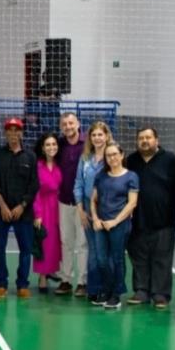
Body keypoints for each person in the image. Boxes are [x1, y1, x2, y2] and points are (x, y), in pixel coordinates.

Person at [125, 126, 175, 309]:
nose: (145, 141)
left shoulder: (172, 161)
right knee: (139, 258)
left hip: (164, 220)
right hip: (137, 220)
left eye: (148, 137)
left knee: (162, 259)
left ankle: (161, 294)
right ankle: (142, 290)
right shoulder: (131, 161)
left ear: (156, 140)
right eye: (141, 138)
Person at [0, 117, 39, 298]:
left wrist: (22, 206)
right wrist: (2, 205)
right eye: (9, 131)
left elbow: (34, 185)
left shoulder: (31, 156)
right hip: (0, 211)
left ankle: (22, 284)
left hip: (23, 213)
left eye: (16, 130)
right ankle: (1, 282)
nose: (13, 134)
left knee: (25, 249)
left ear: (21, 133)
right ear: (5, 134)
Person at [90, 142, 138, 310]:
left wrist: (115, 221)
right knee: (102, 260)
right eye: (108, 155)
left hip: (119, 225)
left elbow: (132, 204)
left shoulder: (131, 176)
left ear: (122, 155)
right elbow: (93, 200)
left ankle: (116, 294)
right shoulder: (101, 176)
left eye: (114, 154)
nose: (112, 158)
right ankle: (106, 289)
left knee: (116, 259)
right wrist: (95, 219)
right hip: (101, 225)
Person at [73, 121, 114, 304]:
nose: (97, 138)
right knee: (94, 250)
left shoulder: (112, 156)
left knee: (105, 252)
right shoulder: (85, 159)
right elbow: (78, 184)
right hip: (88, 207)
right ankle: (93, 288)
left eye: (100, 134)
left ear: (106, 136)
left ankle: (109, 289)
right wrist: (81, 209)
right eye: (94, 135)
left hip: (108, 207)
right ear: (90, 138)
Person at [54, 111, 88, 297]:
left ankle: (82, 282)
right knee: (66, 241)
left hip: (82, 203)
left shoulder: (87, 144)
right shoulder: (59, 145)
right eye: (65, 124)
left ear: (78, 124)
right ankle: (66, 279)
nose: (68, 127)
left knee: (82, 243)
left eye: (71, 123)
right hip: (64, 200)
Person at [32, 133, 62, 293]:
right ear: (43, 148)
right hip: (43, 207)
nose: (52, 147)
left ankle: (52, 270)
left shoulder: (59, 165)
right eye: (48, 145)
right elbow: (35, 191)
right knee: (44, 241)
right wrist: (37, 214)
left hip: (59, 207)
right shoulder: (38, 166)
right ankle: (42, 276)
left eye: (54, 144)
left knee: (56, 242)